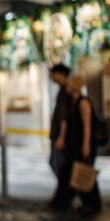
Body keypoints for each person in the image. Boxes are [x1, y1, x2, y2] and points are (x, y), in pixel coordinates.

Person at [55, 74, 102, 215]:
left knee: (85, 173)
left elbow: (87, 126)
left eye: (69, 85)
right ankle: (70, 201)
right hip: (74, 144)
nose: (67, 87)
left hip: (83, 145)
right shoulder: (73, 102)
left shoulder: (83, 103)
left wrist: (86, 145)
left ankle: (93, 204)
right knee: (72, 172)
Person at [48, 64, 73, 209]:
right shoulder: (63, 91)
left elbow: (64, 118)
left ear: (61, 74)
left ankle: (65, 195)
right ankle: (63, 195)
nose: (51, 77)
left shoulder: (65, 93)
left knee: (60, 165)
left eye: (53, 74)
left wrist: (62, 137)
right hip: (59, 136)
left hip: (61, 137)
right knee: (60, 166)